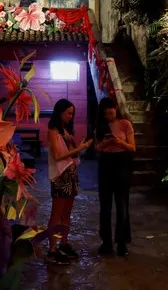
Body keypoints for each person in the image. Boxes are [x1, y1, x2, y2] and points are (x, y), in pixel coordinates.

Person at [46, 99, 92, 264]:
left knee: (66, 213)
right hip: (60, 176)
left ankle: (63, 243)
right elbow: (58, 156)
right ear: (59, 112)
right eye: (69, 113)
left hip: (71, 174)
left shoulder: (65, 131)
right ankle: (52, 249)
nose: (71, 117)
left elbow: (71, 155)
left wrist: (77, 145)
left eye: (72, 114)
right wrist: (78, 149)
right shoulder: (53, 131)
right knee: (56, 214)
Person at [95, 97, 135, 256]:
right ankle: (106, 242)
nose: (108, 116)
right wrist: (104, 144)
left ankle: (122, 243)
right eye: (105, 114)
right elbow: (96, 148)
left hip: (122, 164)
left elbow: (132, 147)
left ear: (116, 109)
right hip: (105, 164)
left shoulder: (125, 124)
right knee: (105, 206)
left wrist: (119, 141)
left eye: (110, 112)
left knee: (122, 205)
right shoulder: (100, 125)